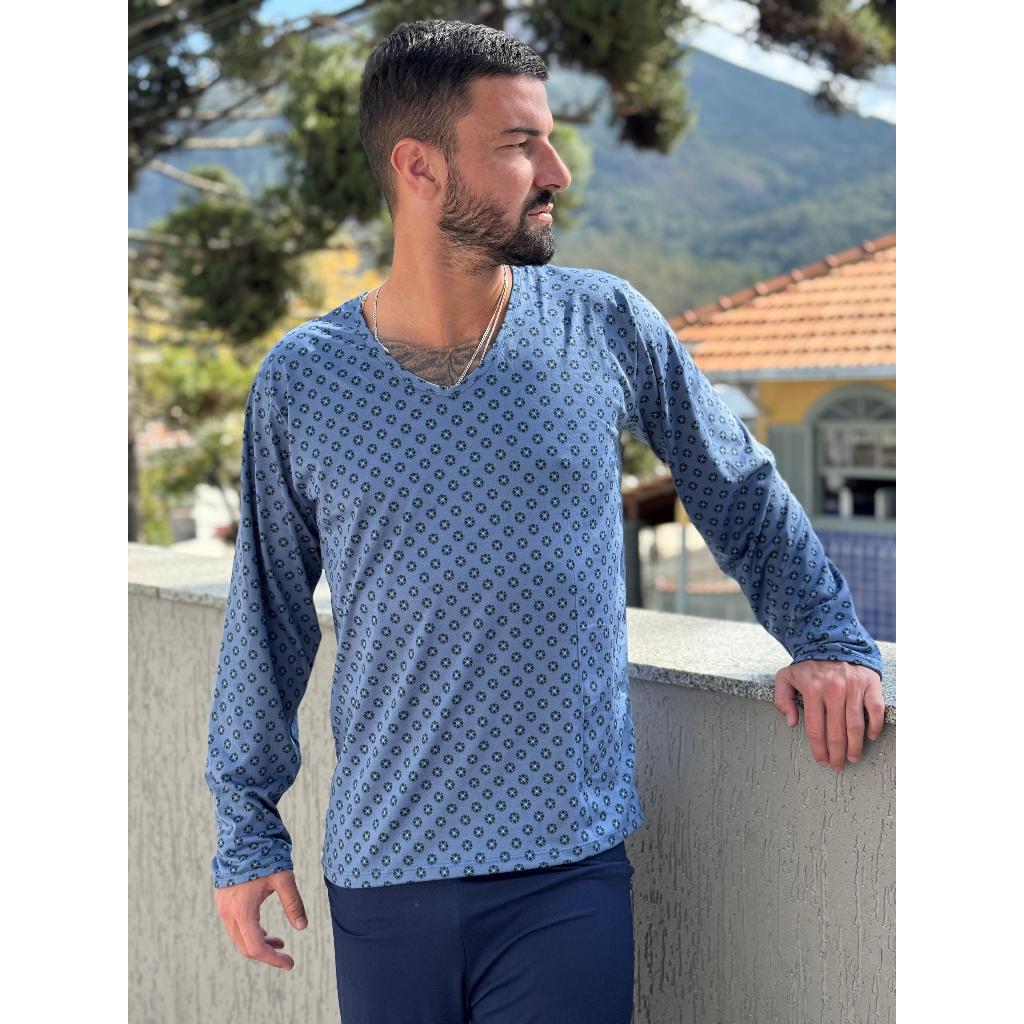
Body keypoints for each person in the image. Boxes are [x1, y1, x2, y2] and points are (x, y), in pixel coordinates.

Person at [204, 18, 886, 1024]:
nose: (557, 172)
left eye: (550, 141)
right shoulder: (303, 381)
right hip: (382, 873)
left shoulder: (603, 323)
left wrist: (827, 638)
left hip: (565, 874)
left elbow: (734, 485)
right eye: (520, 144)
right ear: (419, 166)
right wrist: (247, 830)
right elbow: (267, 616)